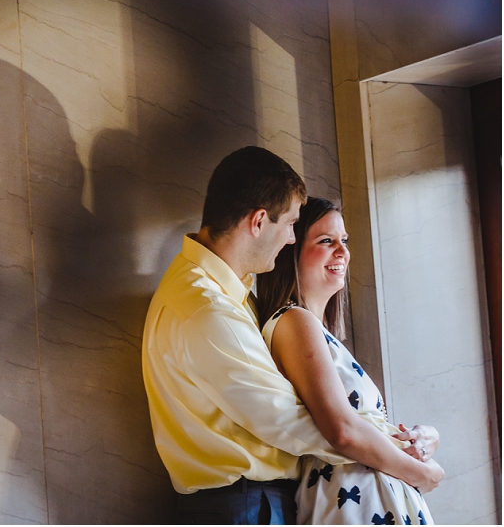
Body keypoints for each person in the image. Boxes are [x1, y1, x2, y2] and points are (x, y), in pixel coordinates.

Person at [142, 146, 350, 524]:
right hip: (244, 507)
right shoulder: (206, 309)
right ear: (258, 221)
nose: (290, 238)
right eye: (289, 224)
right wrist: (394, 453)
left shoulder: (226, 293)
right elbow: (287, 421)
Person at [256, 197, 442, 524]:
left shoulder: (317, 331)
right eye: (326, 241)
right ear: (290, 251)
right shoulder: (294, 321)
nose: (342, 251)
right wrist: (424, 474)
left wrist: (423, 439)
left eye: (344, 240)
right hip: (351, 504)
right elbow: (342, 431)